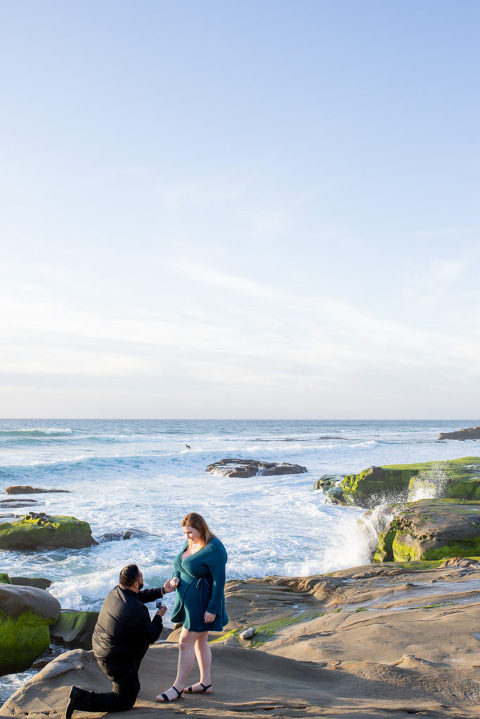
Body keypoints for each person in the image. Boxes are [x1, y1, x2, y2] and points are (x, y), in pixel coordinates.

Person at [65, 564, 176, 718]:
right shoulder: (136, 610)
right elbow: (152, 635)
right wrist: (158, 617)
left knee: (132, 686)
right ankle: (80, 698)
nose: (143, 578)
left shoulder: (115, 592)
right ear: (136, 583)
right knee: (125, 700)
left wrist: (162, 590)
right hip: (113, 659)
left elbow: (137, 597)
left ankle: (128, 681)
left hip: (100, 647)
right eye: (141, 576)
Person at [156, 512, 228, 703]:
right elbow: (179, 563)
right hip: (188, 603)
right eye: (185, 533)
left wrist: (213, 608)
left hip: (203, 603)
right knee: (200, 642)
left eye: (190, 532)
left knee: (184, 642)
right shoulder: (191, 542)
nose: (187, 536)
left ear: (200, 528)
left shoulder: (215, 548)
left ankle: (178, 687)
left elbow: (219, 581)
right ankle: (206, 683)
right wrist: (174, 578)